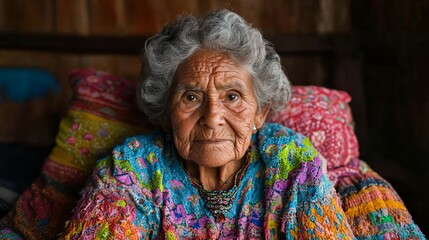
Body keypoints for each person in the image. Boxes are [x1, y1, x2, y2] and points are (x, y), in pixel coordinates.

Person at [60, 10, 422, 239]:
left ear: (260, 113)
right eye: (191, 97)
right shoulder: (131, 168)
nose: (213, 116)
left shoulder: (291, 160)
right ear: (166, 112)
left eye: (232, 96)